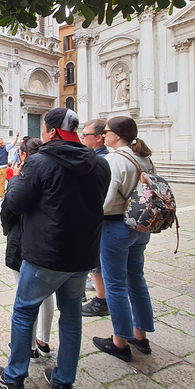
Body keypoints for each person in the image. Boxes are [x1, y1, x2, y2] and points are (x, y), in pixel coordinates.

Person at [0, 108, 110, 389]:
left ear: (53, 132)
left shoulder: (39, 162)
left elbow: (17, 203)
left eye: (45, 129)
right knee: (71, 317)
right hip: (82, 256)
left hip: (46, 255)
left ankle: (15, 379)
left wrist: (18, 178)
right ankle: (64, 383)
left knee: (24, 312)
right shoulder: (99, 164)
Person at [92, 116, 157, 363]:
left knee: (116, 284)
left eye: (106, 131)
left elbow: (107, 201)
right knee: (137, 280)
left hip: (116, 227)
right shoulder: (145, 158)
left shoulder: (114, 159)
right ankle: (140, 336)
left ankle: (119, 341)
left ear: (117, 135)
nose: (104, 135)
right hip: (141, 225)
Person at [1, 137, 54, 361]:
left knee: (25, 296)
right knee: (46, 294)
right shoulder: (51, 173)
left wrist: (14, 179)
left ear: (23, 156)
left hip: (23, 242)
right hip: (47, 242)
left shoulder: (23, 178)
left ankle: (29, 346)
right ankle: (43, 340)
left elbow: (8, 212)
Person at [80, 119, 110, 317]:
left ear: (99, 138)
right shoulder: (98, 157)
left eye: (85, 135)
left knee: (97, 261)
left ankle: (102, 299)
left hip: (101, 219)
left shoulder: (101, 160)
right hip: (99, 218)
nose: (81, 139)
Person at [0, 132, 19, 202]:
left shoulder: (6, 147)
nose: (2, 144)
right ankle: (3, 191)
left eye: (3, 143)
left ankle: (0, 196)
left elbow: (13, 144)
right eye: (1, 143)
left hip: (3, 166)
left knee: (2, 181)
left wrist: (17, 136)